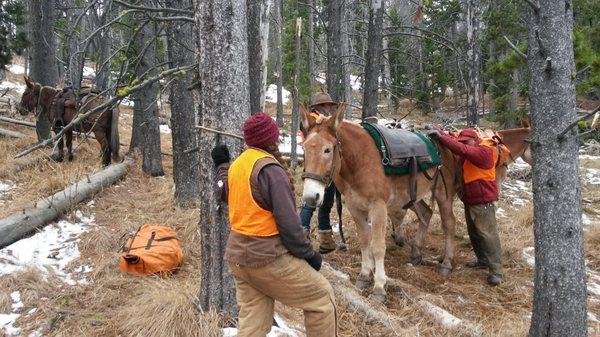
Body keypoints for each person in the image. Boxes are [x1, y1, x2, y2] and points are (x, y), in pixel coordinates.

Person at [211, 112, 337, 337]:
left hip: (238, 259)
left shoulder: (238, 165)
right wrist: (309, 255)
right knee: (322, 298)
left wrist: (221, 164)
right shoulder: (272, 171)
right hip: (266, 259)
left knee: (254, 323)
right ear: (273, 139)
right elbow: (289, 226)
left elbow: (222, 191)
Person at [427, 128, 503, 286]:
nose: (464, 145)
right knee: (474, 233)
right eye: (463, 142)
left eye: (466, 141)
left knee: (488, 234)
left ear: (475, 140)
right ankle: (482, 260)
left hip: (483, 201)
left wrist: (441, 137)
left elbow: (461, 149)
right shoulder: (471, 148)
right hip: (471, 200)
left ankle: (496, 271)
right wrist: (440, 131)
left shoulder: (484, 152)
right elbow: (458, 144)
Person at [299, 92, 338, 253]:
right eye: (326, 105)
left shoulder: (318, 121)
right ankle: (302, 237)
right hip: (318, 166)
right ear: (319, 107)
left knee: (326, 204)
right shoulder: (312, 121)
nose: (329, 108)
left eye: (329, 105)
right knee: (311, 205)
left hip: (325, 166)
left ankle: (325, 241)